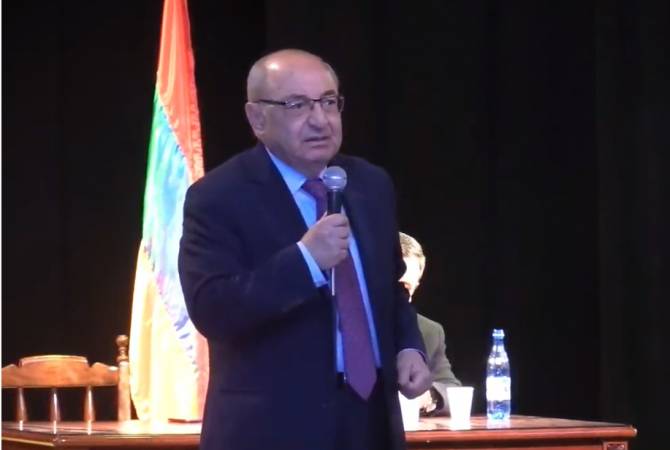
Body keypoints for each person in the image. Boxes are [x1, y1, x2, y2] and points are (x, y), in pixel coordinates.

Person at [178, 49, 431, 450]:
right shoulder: (218, 197)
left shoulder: (370, 184)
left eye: (329, 102)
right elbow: (213, 308)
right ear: (257, 118)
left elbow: (391, 288)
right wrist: (306, 261)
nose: (320, 120)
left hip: (371, 424)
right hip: (273, 431)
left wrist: (408, 346)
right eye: (297, 105)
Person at [399, 232, 462, 416]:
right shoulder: (338, 325)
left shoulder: (429, 331)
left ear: (416, 285)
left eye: (405, 287)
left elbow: (453, 390)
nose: (397, 295)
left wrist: (429, 396)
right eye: (391, 285)